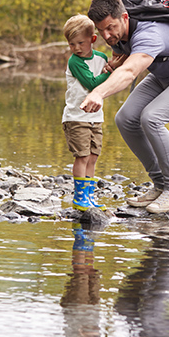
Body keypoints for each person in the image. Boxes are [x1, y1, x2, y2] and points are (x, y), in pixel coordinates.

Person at [81, 0, 169, 214]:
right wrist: (115, 63)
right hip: (165, 76)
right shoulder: (119, 33)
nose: (106, 35)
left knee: (151, 118)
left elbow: (131, 71)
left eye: (110, 27)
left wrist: (98, 93)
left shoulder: (149, 32)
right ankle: (161, 184)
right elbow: (126, 58)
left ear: (124, 18)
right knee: (125, 119)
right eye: (101, 30)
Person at [62, 15, 110, 210]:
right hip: (76, 118)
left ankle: (90, 196)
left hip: (95, 117)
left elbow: (107, 83)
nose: (76, 48)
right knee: (81, 156)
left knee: (92, 156)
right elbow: (92, 83)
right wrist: (110, 72)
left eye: (80, 43)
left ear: (93, 39)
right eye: (72, 44)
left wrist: (112, 67)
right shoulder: (75, 62)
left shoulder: (102, 58)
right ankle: (79, 196)